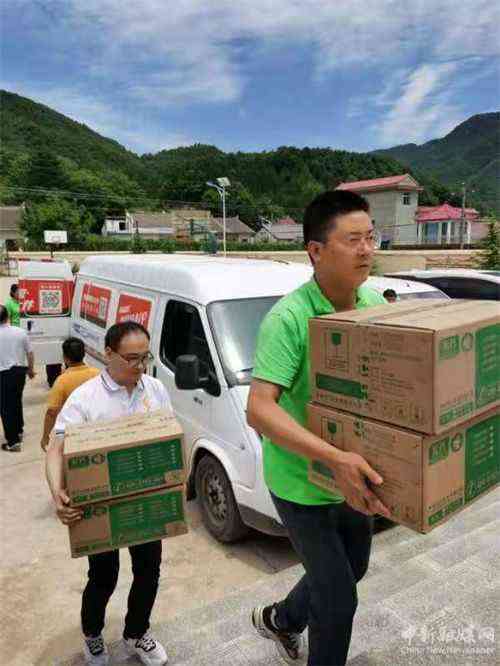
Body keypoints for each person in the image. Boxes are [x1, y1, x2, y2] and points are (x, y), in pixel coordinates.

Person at [247, 190, 391, 666]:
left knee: (355, 567)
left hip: (352, 473)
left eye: (370, 237)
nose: (366, 249)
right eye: (353, 240)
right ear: (315, 250)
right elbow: (259, 409)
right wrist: (334, 458)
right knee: (338, 599)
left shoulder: (373, 302)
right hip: (302, 482)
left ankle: (281, 619)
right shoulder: (288, 319)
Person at [45, 322, 173, 666]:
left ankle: (136, 633)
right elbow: (56, 448)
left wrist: (178, 482)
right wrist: (57, 492)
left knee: (149, 570)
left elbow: (170, 435)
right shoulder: (86, 398)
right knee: (104, 575)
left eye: (145, 357)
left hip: (146, 499)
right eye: (132, 358)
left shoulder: (155, 389)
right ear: (108, 354)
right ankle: (93, 634)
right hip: (99, 505)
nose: (140, 366)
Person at [40, 337, 100, 451]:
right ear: (84, 354)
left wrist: (45, 436)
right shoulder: (97, 374)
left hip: (73, 433)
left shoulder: (61, 381)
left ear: (65, 358)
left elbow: (52, 412)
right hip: (95, 428)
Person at [0, 304, 36, 451]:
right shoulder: (20, 332)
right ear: (8, 316)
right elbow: (30, 353)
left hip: (3, 374)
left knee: (5, 408)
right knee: (16, 401)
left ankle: (13, 442)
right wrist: (31, 370)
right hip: (19, 372)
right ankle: (19, 430)